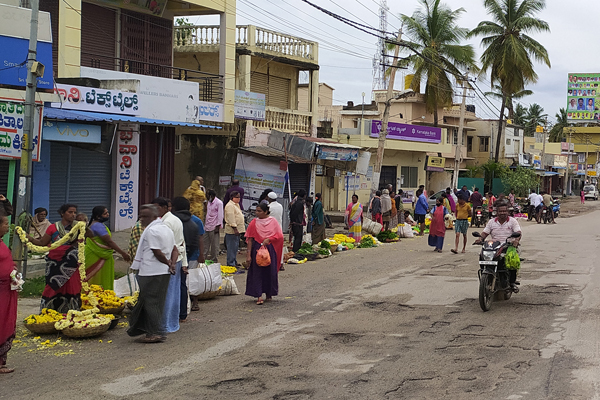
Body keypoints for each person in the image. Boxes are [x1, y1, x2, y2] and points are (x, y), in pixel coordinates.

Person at [128, 205, 177, 343]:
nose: (141, 219)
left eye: (145, 216)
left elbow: (157, 252)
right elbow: (175, 249)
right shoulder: (166, 229)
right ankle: (143, 328)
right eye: (141, 215)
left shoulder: (152, 231)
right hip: (162, 272)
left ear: (154, 217)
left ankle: (155, 332)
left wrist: (168, 263)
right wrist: (172, 263)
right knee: (153, 301)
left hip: (151, 272)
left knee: (151, 302)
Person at [28, 204, 81, 312]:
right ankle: (49, 312)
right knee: (52, 287)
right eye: (70, 212)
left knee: (72, 286)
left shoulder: (78, 228)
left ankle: (71, 312)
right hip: (55, 263)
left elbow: (90, 235)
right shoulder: (53, 227)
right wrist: (28, 238)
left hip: (72, 263)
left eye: (74, 212)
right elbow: (42, 243)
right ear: (62, 213)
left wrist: (83, 225)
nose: (73, 215)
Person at [152, 197, 187, 332]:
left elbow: (169, 246)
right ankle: (172, 323)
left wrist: (169, 262)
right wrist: (184, 262)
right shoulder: (174, 219)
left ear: (165, 208)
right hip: (176, 259)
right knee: (173, 292)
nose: (155, 211)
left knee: (166, 293)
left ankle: (164, 324)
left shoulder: (166, 223)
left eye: (157, 208)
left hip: (168, 261)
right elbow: (182, 243)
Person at [474, 201, 522, 289]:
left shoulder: (512, 221)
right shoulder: (492, 222)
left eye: (504, 211)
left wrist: (516, 240)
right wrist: (480, 239)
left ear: (507, 212)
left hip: (508, 246)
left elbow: (518, 232)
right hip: (494, 246)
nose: (502, 213)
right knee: (482, 256)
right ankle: (486, 276)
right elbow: (485, 232)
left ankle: (511, 282)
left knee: (512, 260)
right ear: (497, 212)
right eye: (500, 211)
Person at [171, 196, 205, 318]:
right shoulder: (196, 220)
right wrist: (201, 254)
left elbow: (200, 238)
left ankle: (186, 305)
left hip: (178, 256)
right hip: (192, 254)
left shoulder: (172, 220)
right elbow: (200, 238)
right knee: (191, 280)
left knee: (180, 282)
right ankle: (192, 302)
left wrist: (201, 254)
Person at [245, 203, 283, 304]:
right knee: (257, 272)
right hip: (257, 249)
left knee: (270, 272)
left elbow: (279, 236)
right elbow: (250, 239)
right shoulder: (253, 223)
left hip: (270, 249)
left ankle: (269, 293)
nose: (257, 213)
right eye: (256, 211)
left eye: (259, 211)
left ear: (266, 212)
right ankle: (258, 295)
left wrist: (270, 238)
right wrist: (248, 255)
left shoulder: (273, 222)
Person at [85, 206, 131, 290]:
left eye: (107, 212)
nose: (108, 214)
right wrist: (123, 253)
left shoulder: (95, 224)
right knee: (97, 277)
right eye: (105, 213)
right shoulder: (98, 226)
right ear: (98, 216)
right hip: (97, 255)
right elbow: (109, 242)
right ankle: (98, 296)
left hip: (95, 253)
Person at [0, 214, 16, 373]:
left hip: (7, 289)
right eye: (5, 223)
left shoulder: (2, 242)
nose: (7, 226)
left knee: (5, 322)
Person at [224, 191, 245, 267]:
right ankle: (230, 263)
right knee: (231, 247)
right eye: (237, 197)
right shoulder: (230, 206)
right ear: (232, 197)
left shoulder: (236, 205)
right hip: (232, 231)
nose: (238, 199)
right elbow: (231, 218)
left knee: (235, 247)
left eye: (239, 197)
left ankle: (234, 261)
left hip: (238, 230)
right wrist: (235, 228)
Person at [204, 189, 223, 263]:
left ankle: (214, 259)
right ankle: (204, 259)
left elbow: (220, 215)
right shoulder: (209, 202)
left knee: (214, 246)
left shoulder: (219, 203)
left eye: (207, 195)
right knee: (205, 244)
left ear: (211, 196)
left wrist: (218, 226)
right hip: (207, 226)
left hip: (214, 227)